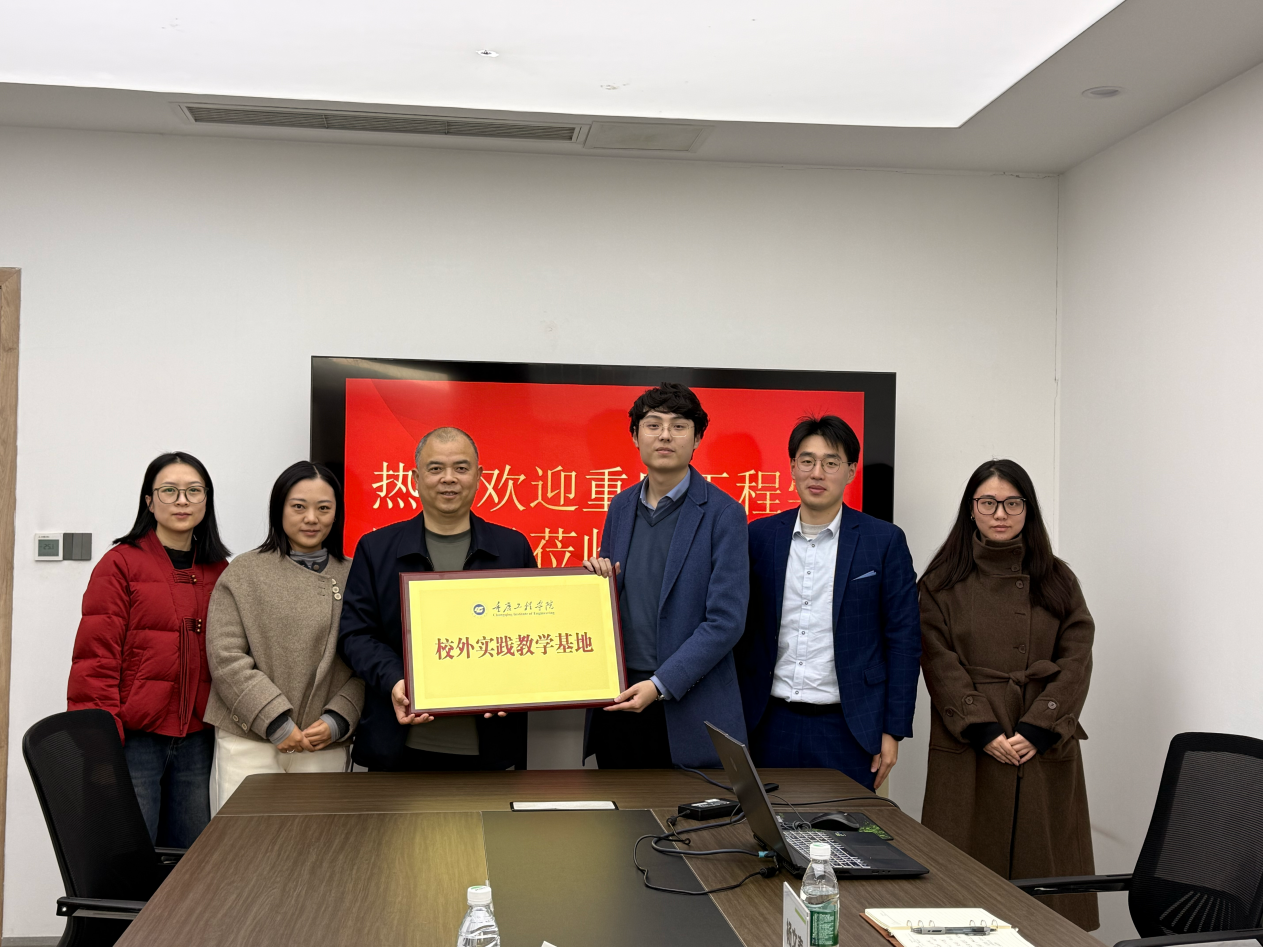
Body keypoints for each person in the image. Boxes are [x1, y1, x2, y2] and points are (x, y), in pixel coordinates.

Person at [919, 459, 1097, 930]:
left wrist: (1040, 726)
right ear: (971, 509)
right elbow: (937, 660)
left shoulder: (1057, 578)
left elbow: (1078, 658)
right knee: (960, 897)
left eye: (1013, 503)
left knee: (1044, 900)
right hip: (971, 743)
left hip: (1039, 744)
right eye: (988, 503)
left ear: (1028, 509)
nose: (1000, 514)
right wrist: (980, 726)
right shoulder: (941, 581)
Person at [736, 415, 920, 791]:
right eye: (807, 461)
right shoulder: (758, 537)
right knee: (767, 825)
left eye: (831, 462)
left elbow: (904, 639)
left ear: (850, 471)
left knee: (845, 828)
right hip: (768, 722)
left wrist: (893, 730)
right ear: (792, 467)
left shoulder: (883, 541)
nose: (817, 472)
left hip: (850, 727)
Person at [338, 427, 536, 771]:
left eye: (461, 468)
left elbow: (534, 633)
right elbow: (355, 635)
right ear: (416, 478)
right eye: (435, 468)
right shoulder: (376, 549)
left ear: (479, 476)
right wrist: (395, 679)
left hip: (491, 748)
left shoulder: (512, 548)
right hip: (398, 745)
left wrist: (514, 682)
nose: (449, 478)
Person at [67, 452, 231, 847]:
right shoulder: (120, 564)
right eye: (169, 491)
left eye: (194, 491)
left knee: (189, 859)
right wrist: (101, 746)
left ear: (206, 500)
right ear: (149, 501)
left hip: (197, 739)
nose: (182, 500)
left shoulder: (219, 570)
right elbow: (95, 661)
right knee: (128, 857)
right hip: (135, 739)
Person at [584, 382, 749, 769]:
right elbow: (615, 597)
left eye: (678, 426)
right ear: (635, 436)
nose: (664, 435)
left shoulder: (724, 514)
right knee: (619, 806)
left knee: (685, 809)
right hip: (619, 694)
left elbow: (726, 621)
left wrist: (660, 684)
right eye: (653, 424)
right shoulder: (621, 505)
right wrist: (596, 581)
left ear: (697, 439)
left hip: (686, 702)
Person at [204, 461, 364, 813]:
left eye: (324, 508)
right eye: (299, 507)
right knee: (242, 840)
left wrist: (339, 719)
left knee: (318, 842)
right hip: (249, 738)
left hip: (323, 741)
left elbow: (367, 659)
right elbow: (225, 657)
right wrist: (275, 720)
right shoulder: (244, 572)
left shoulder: (355, 574)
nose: (312, 518)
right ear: (279, 509)